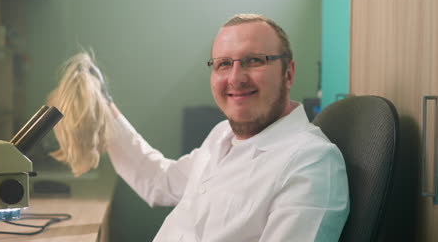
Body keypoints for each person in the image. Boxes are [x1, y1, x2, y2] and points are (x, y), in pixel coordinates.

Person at [106, 14, 349, 241]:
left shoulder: (311, 163)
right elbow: (161, 181)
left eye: (253, 60)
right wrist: (103, 108)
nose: (235, 78)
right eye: (223, 64)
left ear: (288, 74)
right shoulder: (222, 135)